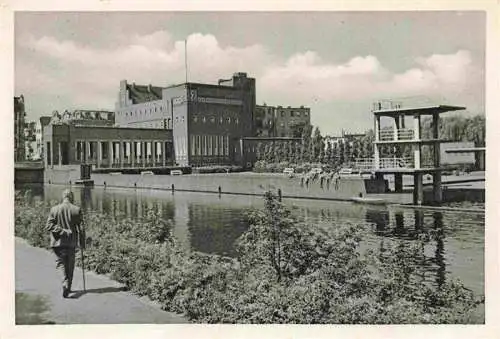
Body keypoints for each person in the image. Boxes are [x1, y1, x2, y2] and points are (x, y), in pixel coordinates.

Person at [45, 189, 85, 298]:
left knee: (60, 264)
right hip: (71, 243)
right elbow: (81, 229)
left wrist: (60, 230)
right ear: (71, 197)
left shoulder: (54, 209)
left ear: (63, 197)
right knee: (70, 265)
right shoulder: (76, 210)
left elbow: (48, 226)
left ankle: (65, 282)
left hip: (57, 243)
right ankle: (69, 286)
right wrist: (82, 243)